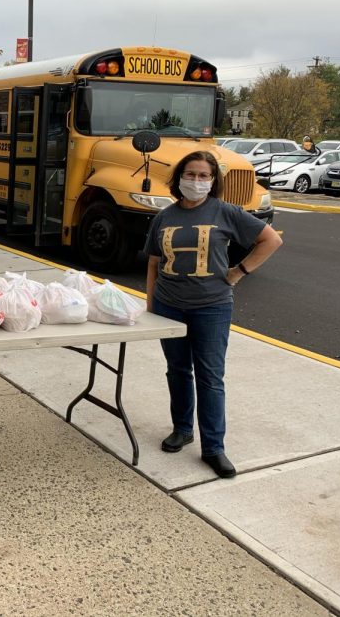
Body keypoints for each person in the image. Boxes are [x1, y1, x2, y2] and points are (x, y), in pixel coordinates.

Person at [144, 150, 283, 478]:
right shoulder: (164, 217)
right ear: (179, 178)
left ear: (213, 181)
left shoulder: (225, 212)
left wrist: (238, 272)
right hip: (168, 305)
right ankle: (182, 429)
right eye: (190, 174)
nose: (196, 181)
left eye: (203, 176)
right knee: (177, 370)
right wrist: (151, 305)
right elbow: (153, 262)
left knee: (209, 376)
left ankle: (213, 447)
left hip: (211, 307)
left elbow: (270, 239)